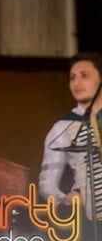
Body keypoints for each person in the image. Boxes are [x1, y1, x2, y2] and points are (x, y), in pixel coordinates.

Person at [39, 52, 102, 221]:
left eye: (84, 76)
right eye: (72, 77)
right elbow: (47, 183)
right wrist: (65, 199)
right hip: (86, 215)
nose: (76, 83)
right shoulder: (62, 126)